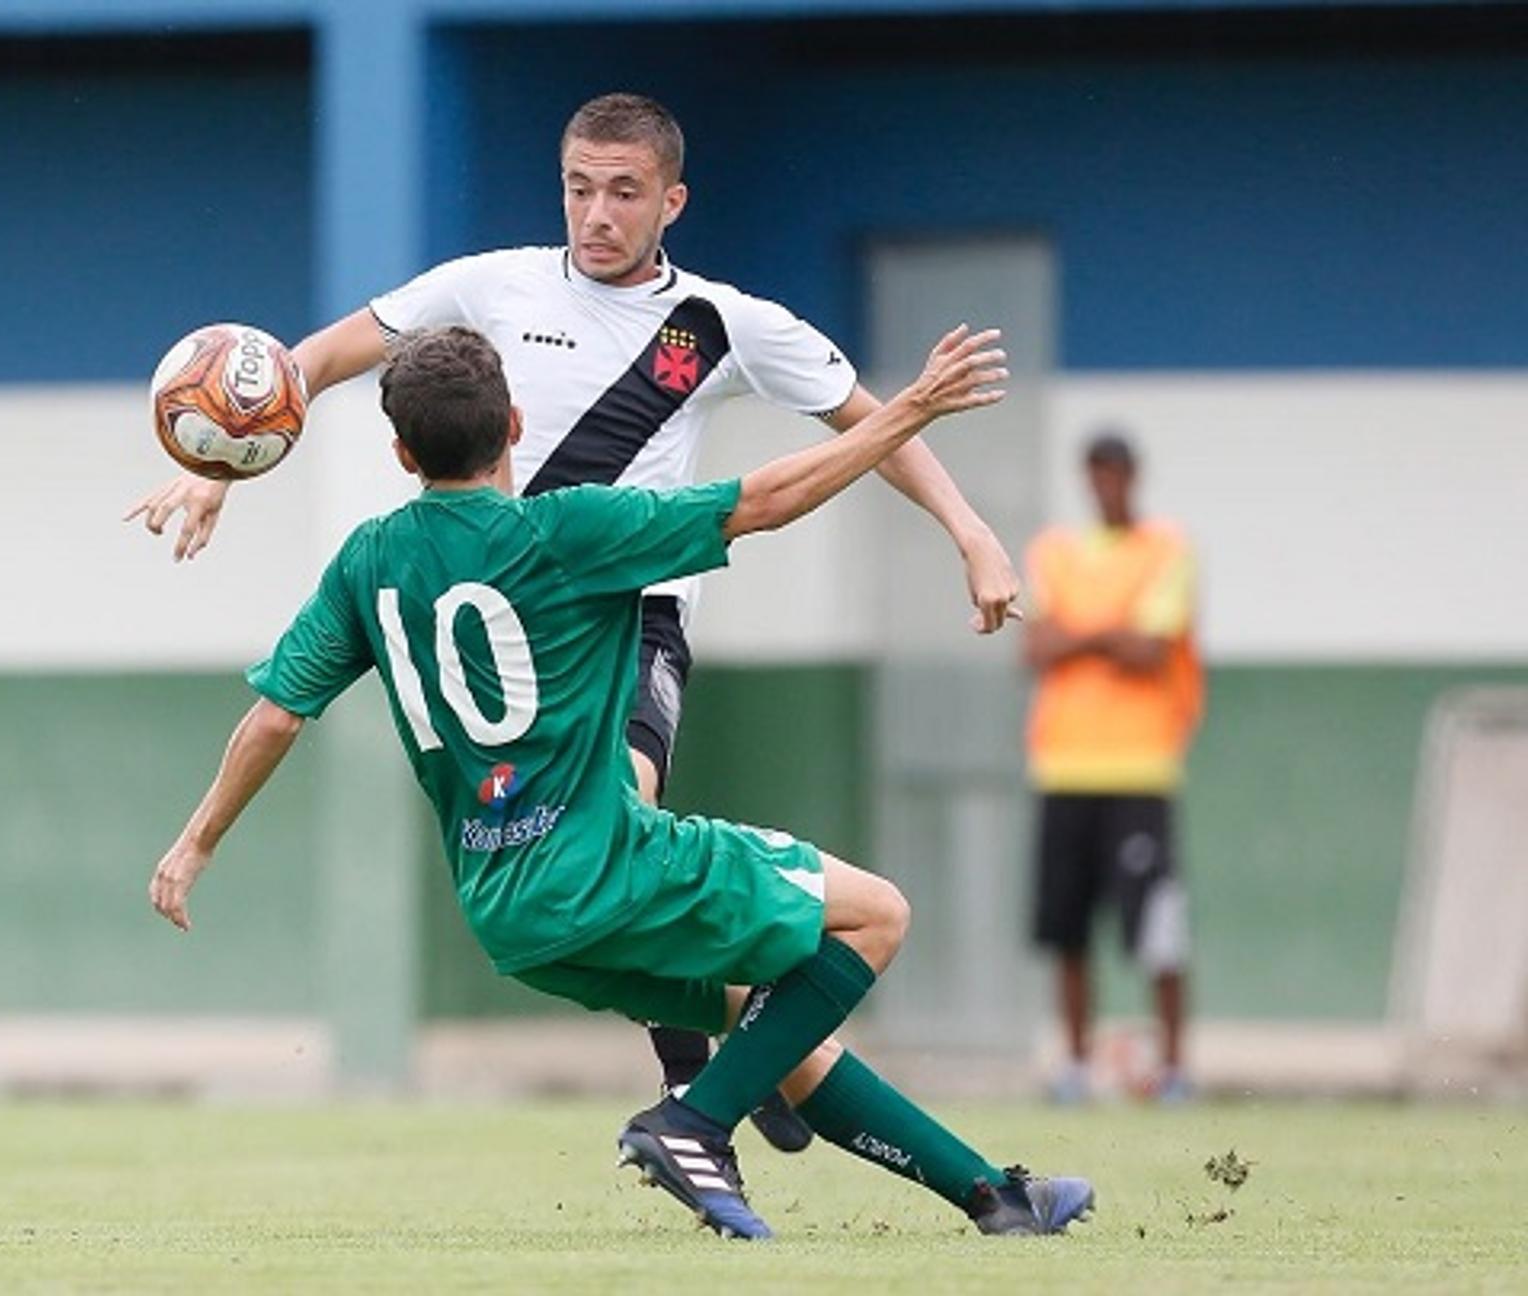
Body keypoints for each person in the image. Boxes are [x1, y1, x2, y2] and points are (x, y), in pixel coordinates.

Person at [129, 92, 1022, 1152]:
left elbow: (862, 421)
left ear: (671, 202)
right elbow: (309, 364)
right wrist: (222, 469)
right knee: (609, 853)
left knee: (618, 806)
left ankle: (703, 1082)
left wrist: (968, 528)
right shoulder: (486, 285)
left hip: (631, 617)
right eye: (579, 188)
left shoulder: (725, 325)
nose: (596, 213)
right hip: (504, 614)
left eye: (624, 193)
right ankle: (724, 1080)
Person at [147, 324, 1091, 1240]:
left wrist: (195, 845)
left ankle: (995, 1199)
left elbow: (275, 715)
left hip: (507, 913)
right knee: (876, 915)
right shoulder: (572, 530)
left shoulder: (367, 559)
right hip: (609, 861)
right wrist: (912, 408)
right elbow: (766, 497)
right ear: (516, 425)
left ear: (400, 453)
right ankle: (695, 1124)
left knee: (779, 1028)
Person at [1023, 431, 1203, 1103]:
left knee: (1157, 929)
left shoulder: (1166, 548)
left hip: (1141, 769)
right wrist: (1107, 631)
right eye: (1095, 476)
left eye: (1116, 476)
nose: (1106, 487)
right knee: (1066, 930)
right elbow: (1036, 647)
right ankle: (1073, 1065)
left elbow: (1150, 650)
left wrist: (1078, 634)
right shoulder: (1054, 553)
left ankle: (1177, 1068)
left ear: (1134, 476)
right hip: (1061, 768)